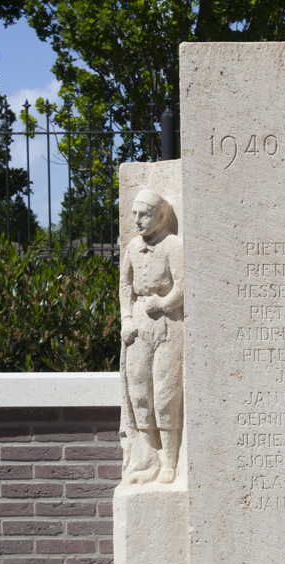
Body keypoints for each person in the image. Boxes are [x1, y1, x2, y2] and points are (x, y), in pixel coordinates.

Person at [120, 189, 183, 484]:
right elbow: (125, 286)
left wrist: (164, 303)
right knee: (139, 393)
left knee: (165, 395)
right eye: (134, 215)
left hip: (169, 325)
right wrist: (126, 319)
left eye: (144, 214)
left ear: (159, 216)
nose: (137, 221)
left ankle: (170, 462)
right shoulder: (132, 248)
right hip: (140, 325)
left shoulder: (173, 245)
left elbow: (183, 285)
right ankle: (150, 458)